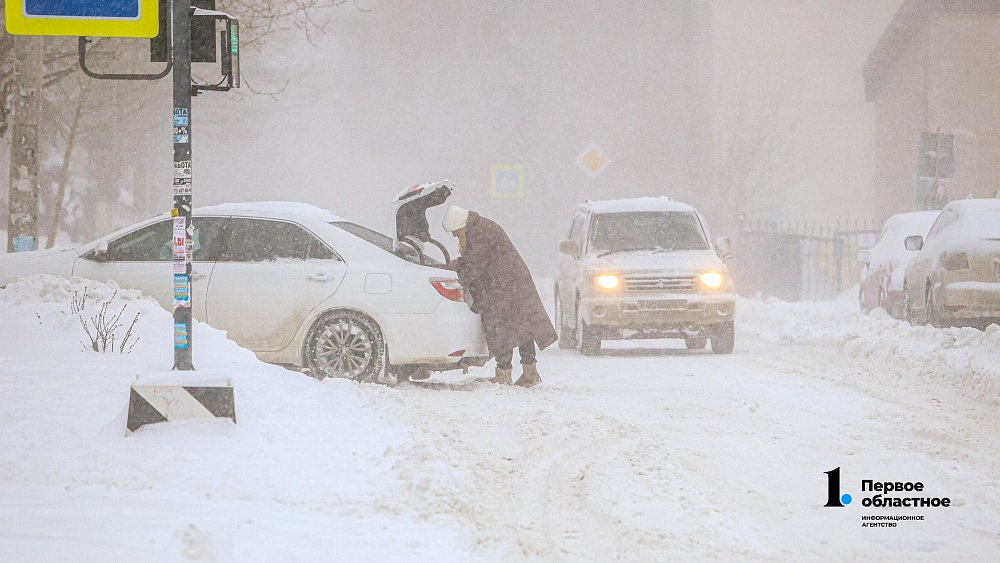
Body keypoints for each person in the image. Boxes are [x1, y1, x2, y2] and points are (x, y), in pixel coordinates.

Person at [442, 205, 557, 387]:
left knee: (500, 328)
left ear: (460, 226)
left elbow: (475, 266)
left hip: (502, 286)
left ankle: (504, 373)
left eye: (455, 232)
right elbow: (478, 259)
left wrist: (457, 270)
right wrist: (461, 263)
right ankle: (530, 372)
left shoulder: (478, 233)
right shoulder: (481, 227)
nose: (455, 236)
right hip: (511, 282)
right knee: (522, 326)